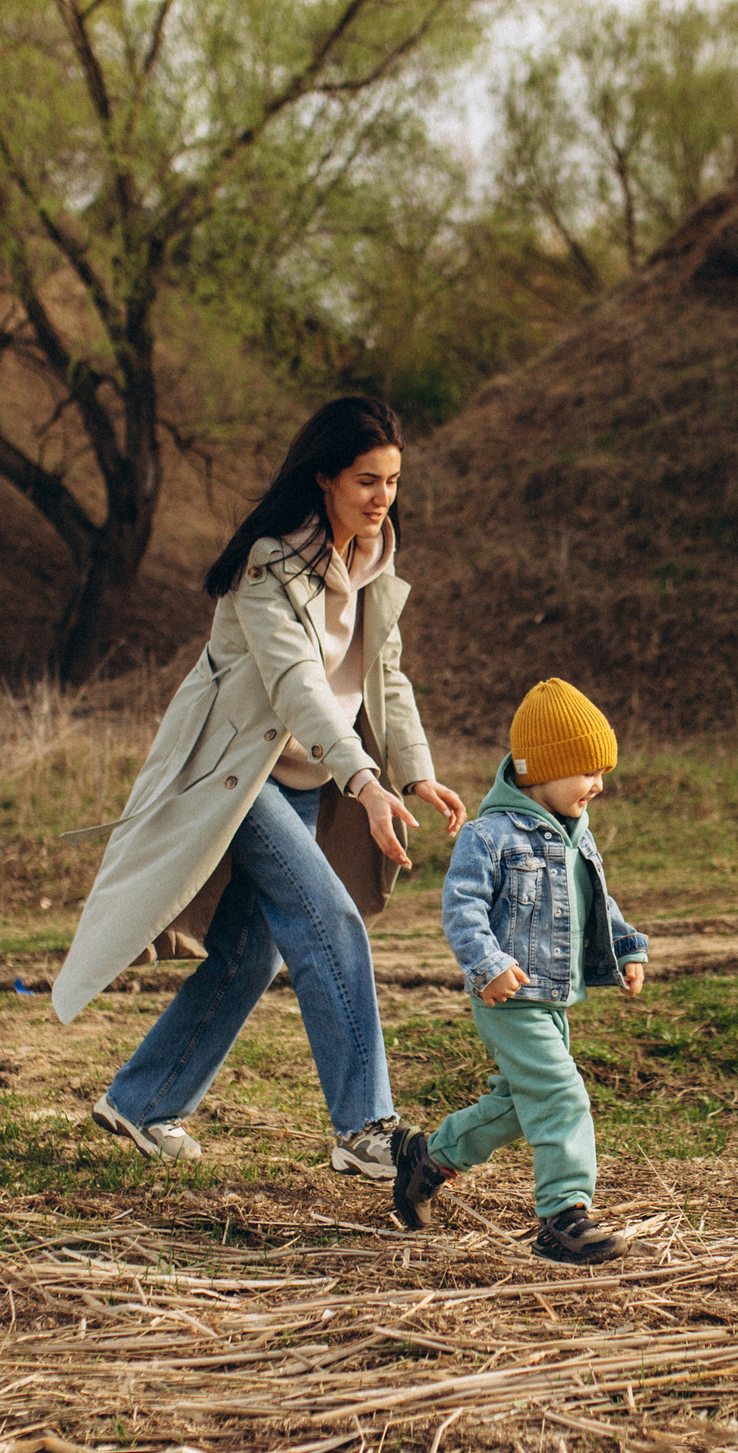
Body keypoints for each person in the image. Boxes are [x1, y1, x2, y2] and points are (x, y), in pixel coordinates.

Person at [50, 397, 468, 1180]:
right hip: (235, 777)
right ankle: (365, 1127)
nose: (383, 497)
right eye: (367, 480)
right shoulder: (267, 567)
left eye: (392, 481)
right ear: (325, 478)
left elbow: (385, 674)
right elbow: (297, 687)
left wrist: (415, 771)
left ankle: (143, 1101)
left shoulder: (375, 562)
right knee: (328, 918)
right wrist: (367, 782)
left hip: (307, 782)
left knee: (248, 957)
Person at [391, 679, 650, 1264]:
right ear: (542, 770)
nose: (598, 785)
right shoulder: (489, 836)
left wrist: (626, 946)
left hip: (552, 996)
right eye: (587, 771)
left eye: (602, 772)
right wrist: (488, 964)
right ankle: (564, 1217)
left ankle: (426, 1160)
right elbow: (462, 907)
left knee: (516, 1105)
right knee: (561, 1094)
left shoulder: (577, 836)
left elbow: (595, 903)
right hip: (507, 997)